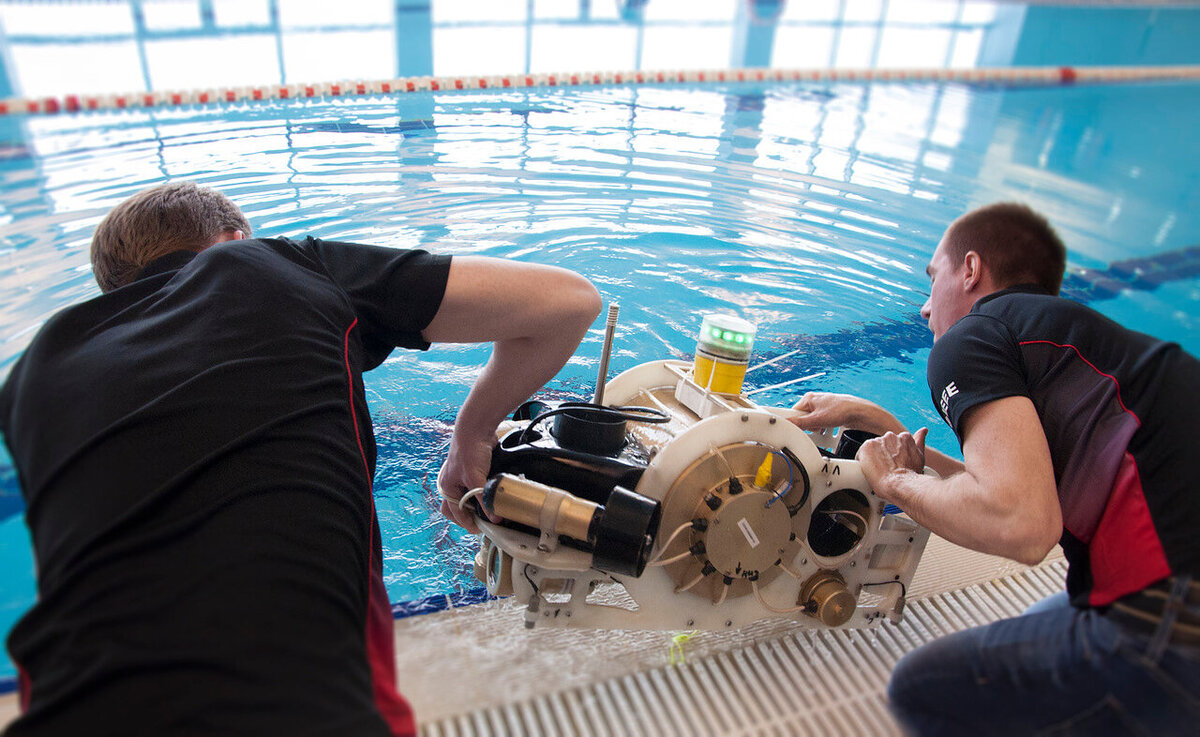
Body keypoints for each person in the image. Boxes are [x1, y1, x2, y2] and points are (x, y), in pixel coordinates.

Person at [0, 181, 601, 736]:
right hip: (296, 705)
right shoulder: (267, 265)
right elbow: (569, 300)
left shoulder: (34, 373)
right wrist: (470, 435)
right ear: (236, 242)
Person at [787, 202, 1200, 735]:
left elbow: (1022, 525)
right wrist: (879, 422)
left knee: (926, 688)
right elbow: (1019, 488)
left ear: (971, 270)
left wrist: (894, 482)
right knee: (1039, 622)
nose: (923, 309)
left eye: (932, 279)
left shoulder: (972, 336)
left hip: (1173, 625)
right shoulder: (1076, 346)